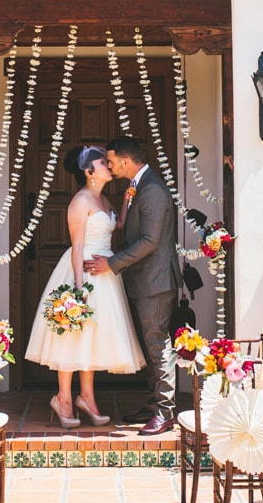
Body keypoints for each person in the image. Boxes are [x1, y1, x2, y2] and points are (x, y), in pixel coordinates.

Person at [25, 144, 145, 429]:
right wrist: (78, 288)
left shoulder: (103, 200)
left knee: (91, 337)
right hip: (84, 272)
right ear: (89, 171)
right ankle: (63, 398)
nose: (109, 165)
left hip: (105, 273)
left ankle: (87, 397)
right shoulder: (80, 201)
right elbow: (77, 245)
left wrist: (128, 199)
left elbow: (118, 227)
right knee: (73, 335)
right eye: (103, 163)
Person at [84, 135, 182, 436]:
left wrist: (111, 264)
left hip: (155, 281)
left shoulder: (152, 189)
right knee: (152, 345)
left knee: (158, 346)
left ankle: (165, 413)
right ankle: (154, 405)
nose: (110, 167)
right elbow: (131, 229)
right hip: (144, 280)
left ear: (126, 161)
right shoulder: (139, 186)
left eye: (111, 161)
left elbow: (150, 241)